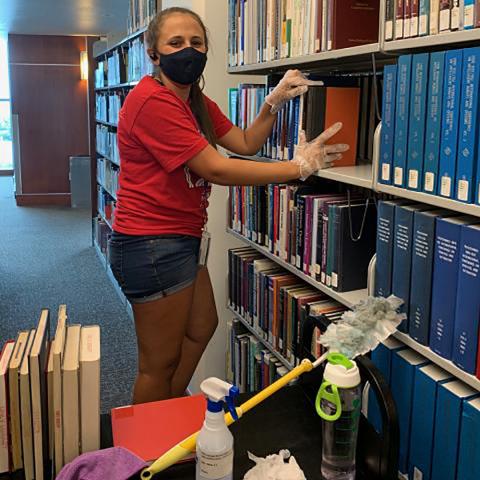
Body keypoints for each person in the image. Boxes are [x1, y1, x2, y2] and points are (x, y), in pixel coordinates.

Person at [108, 6, 349, 404]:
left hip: (180, 240)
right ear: (154, 53)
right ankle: (145, 453)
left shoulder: (195, 101)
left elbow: (245, 144)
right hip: (149, 243)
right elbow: (217, 169)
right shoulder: (152, 101)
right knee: (157, 362)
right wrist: (296, 168)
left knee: (203, 325)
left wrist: (271, 104)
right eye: (176, 43)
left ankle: (166, 410)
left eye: (196, 42)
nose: (188, 50)